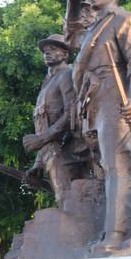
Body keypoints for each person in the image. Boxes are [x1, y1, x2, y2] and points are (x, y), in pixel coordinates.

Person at [65, 0, 131, 252]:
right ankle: (109, 229)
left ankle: (115, 234)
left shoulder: (124, 19)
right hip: (93, 100)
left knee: (118, 165)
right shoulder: (93, 27)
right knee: (106, 166)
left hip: (115, 96)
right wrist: (71, 2)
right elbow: (71, 39)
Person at [23, 34, 90, 208]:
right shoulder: (46, 84)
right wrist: (38, 164)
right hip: (50, 152)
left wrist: (42, 139)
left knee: (69, 202)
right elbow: (44, 125)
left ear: (65, 55)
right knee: (65, 202)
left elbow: (71, 113)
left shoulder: (66, 75)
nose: (47, 53)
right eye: (45, 50)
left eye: (53, 49)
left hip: (68, 151)